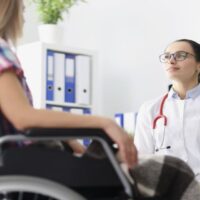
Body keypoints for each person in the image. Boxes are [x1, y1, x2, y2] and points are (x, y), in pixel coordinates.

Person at [1, 1, 200, 199]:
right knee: (171, 170)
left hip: (35, 155)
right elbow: (23, 117)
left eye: (181, 55)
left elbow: (23, 119)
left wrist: (70, 139)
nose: (25, 12)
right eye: (22, 6)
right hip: (33, 159)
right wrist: (104, 123)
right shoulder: (2, 50)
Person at [134, 38, 200, 182]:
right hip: (166, 190)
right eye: (167, 56)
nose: (171, 61)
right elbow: (142, 159)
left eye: (180, 55)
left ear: (198, 65)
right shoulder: (150, 109)